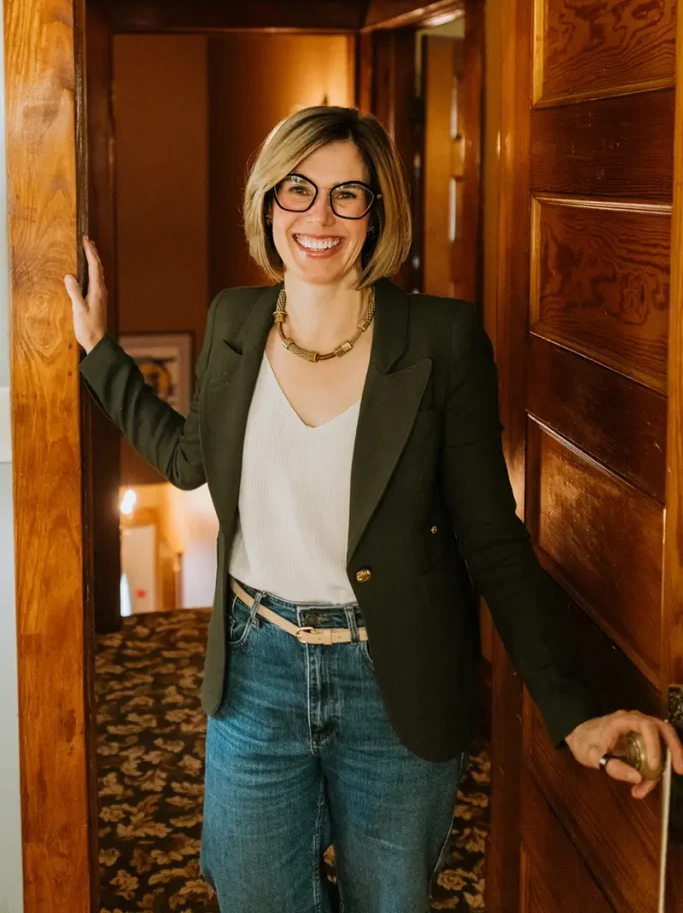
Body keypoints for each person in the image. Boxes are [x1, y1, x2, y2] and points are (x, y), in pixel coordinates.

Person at [65, 106, 683, 913]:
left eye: (346, 195)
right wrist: (100, 352)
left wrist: (574, 713)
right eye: (297, 189)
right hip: (256, 671)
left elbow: (491, 540)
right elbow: (188, 460)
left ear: (377, 211)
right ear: (267, 202)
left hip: (391, 681)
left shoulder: (440, 340)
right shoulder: (233, 320)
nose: (318, 217)